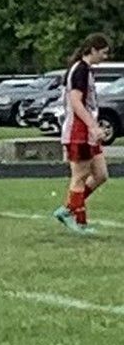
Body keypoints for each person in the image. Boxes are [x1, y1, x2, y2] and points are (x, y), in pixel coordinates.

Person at [53, 33, 112, 234]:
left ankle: (69, 209)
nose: (105, 57)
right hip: (78, 131)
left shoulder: (85, 70)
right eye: (103, 53)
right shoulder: (80, 70)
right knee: (80, 175)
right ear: (93, 50)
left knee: (101, 174)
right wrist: (92, 126)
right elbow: (75, 102)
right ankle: (78, 219)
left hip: (86, 130)